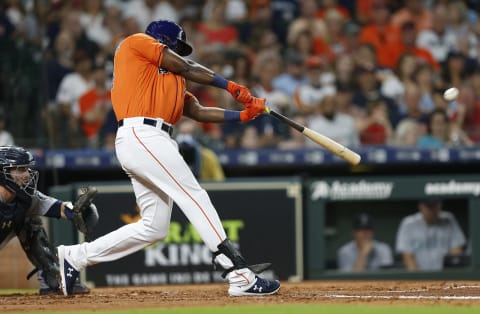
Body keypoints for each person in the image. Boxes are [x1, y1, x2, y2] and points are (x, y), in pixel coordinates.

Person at [56, 20, 280, 297]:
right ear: (162, 40)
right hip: (142, 134)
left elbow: (197, 111)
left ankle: (76, 256)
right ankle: (237, 272)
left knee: (154, 227)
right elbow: (185, 65)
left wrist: (242, 116)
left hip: (152, 140)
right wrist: (231, 86)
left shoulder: (170, 78)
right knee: (194, 195)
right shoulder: (135, 43)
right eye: (176, 45)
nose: (179, 51)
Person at [0, 145, 96, 295]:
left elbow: (60, 208)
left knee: (31, 221)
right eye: (19, 169)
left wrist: (78, 211)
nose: (26, 175)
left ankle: (51, 277)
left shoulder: (25, 198)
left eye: (26, 169)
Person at [395, 199, 466, 271]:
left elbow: (456, 251)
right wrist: (418, 279)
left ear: (440, 205)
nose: (431, 210)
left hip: (445, 275)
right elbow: (407, 256)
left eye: (434, 206)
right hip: (420, 276)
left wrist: (451, 274)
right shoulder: (408, 223)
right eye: (428, 206)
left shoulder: (449, 219)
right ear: (420, 206)